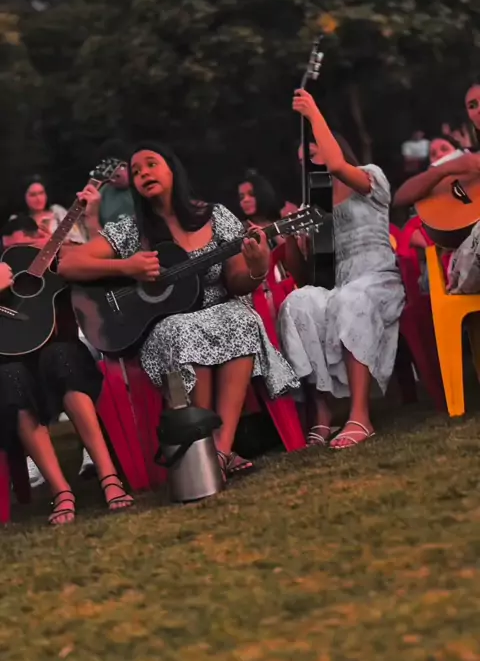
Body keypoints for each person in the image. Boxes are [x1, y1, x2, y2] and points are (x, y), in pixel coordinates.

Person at [59, 142, 299, 477]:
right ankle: (200, 444)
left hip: (221, 311)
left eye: (151, 164)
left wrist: (258, 268)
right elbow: (68, 263)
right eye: (136, 171)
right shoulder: (131, 228)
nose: (143, 173)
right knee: (183, 329)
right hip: (164, 324)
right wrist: (127, 267)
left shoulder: (215, 216)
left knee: (243, 319)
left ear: (172, 170)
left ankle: (220, 450)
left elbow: (236, 282)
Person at [278, 89, 405, 450]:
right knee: (298, 302)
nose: (309, 163)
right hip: (339, 285)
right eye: (303, 161)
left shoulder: (369, 177)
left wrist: (313, 113)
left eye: (313, 152)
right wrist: (290, 238)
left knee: (352, 299)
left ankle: (360, 417)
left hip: (378, 279)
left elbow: (336, 166)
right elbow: (304, 277)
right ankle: (323, 413)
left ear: (333, 145)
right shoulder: (315, 205)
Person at [0, 259, 133, 525]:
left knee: (63, 357)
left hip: (57, 350)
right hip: (8, 360)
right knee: (10, 378)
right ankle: (60, 490)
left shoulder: (39, 257)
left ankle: (108, 476)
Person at [393, 96, 480, 294]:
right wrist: (445, 169)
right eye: (433, 154)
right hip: (461, 265)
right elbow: (399, 198)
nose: (440, 155)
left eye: (444, 149)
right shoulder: (430, 201)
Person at [12, 175, 87, 244]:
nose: (38, 199)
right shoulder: (16, 219)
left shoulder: (57, 211)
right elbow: (12, 244)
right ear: (23, 198)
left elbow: (78, 241)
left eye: (41, 193)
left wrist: (51, 238)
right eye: (33, 195)